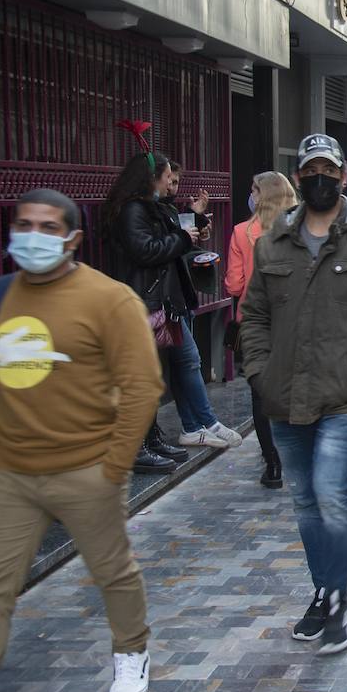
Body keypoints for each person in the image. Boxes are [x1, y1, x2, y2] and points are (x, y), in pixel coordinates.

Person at [0, 189, 166, 692]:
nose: (32, 236)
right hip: (9, 471)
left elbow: (142, 387)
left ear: (73, 239)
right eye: (24, 225)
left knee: (111, 570)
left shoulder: (109, 300)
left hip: (86, 466)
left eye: (46, 227)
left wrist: (113, 467)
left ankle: (132, 650)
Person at [239, 133, 347, 655]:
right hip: (283, 397)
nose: (318, 177)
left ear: (343, 177)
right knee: (305, 501)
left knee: (331, 494)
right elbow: (254, 316)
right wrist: (260, 372)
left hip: (345, 398)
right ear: (298, 178)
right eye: (308, 169)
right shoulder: (273, 244)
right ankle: (324, 592)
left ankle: (338, 598)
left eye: (327, 170)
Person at [102, 150, 241, 466]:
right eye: (167, 178)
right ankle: (147, 443)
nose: (170, 185)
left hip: (162, 303)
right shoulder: (132, 211)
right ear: (150, 178)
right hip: (144, 303)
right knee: (149, 374)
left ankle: (156, 438)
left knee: (158, 372)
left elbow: (171, 234)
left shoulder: (150, 208)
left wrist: (193, 223)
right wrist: (182, 236)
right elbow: (147, 250)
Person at [225, 171, 298, 489]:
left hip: (254, 322)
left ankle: (273, 464)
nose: (250, 194)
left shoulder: (242, 232)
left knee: (260, 394)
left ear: (263, 196)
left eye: (254, 189)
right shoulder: (298, 231)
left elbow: (234, 284)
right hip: (290, 320)